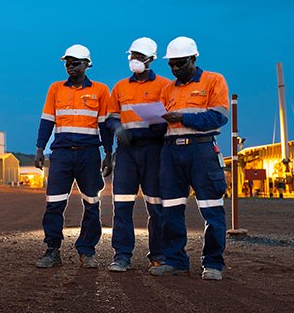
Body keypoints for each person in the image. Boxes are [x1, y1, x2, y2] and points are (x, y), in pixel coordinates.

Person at [149, 36, 230, 281]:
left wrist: (181, 118)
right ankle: (176, 261)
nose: (175, 69)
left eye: (180, 63)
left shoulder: (214, 81)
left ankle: (213, 264)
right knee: (171, 208)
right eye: (171, 64)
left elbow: (218, 117)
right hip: (171, 152)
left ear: (194, 58)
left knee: (211, 208)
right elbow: (162, 123)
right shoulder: (167, 89)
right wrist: (152, 123)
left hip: (202, 150)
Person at [34, 44, 114, 268]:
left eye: (75, 62)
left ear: (87, 64)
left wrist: (108, 153)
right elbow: (47, 121)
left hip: (89, 155)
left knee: (91, 203)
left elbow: (105, 125)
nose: (70, 66)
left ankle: (87, 250)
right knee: (54, 203)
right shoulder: (55, 89)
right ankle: (52, 249)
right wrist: (40, 149)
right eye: (67, 63)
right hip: (61, 155)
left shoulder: (100, 90)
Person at [103, 37, 169, 272]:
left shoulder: (164, 85)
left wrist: (160, 126)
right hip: (127, 152)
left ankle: (158, 255)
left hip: (154, 150)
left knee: (156, 205)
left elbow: (171, 117)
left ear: (151, 59)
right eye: (132, 55)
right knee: (121, 204)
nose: (135, 60)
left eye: (140, 57)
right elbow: (111, 117)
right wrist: (118, 129)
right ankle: (122, 255)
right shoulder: (120, 87)